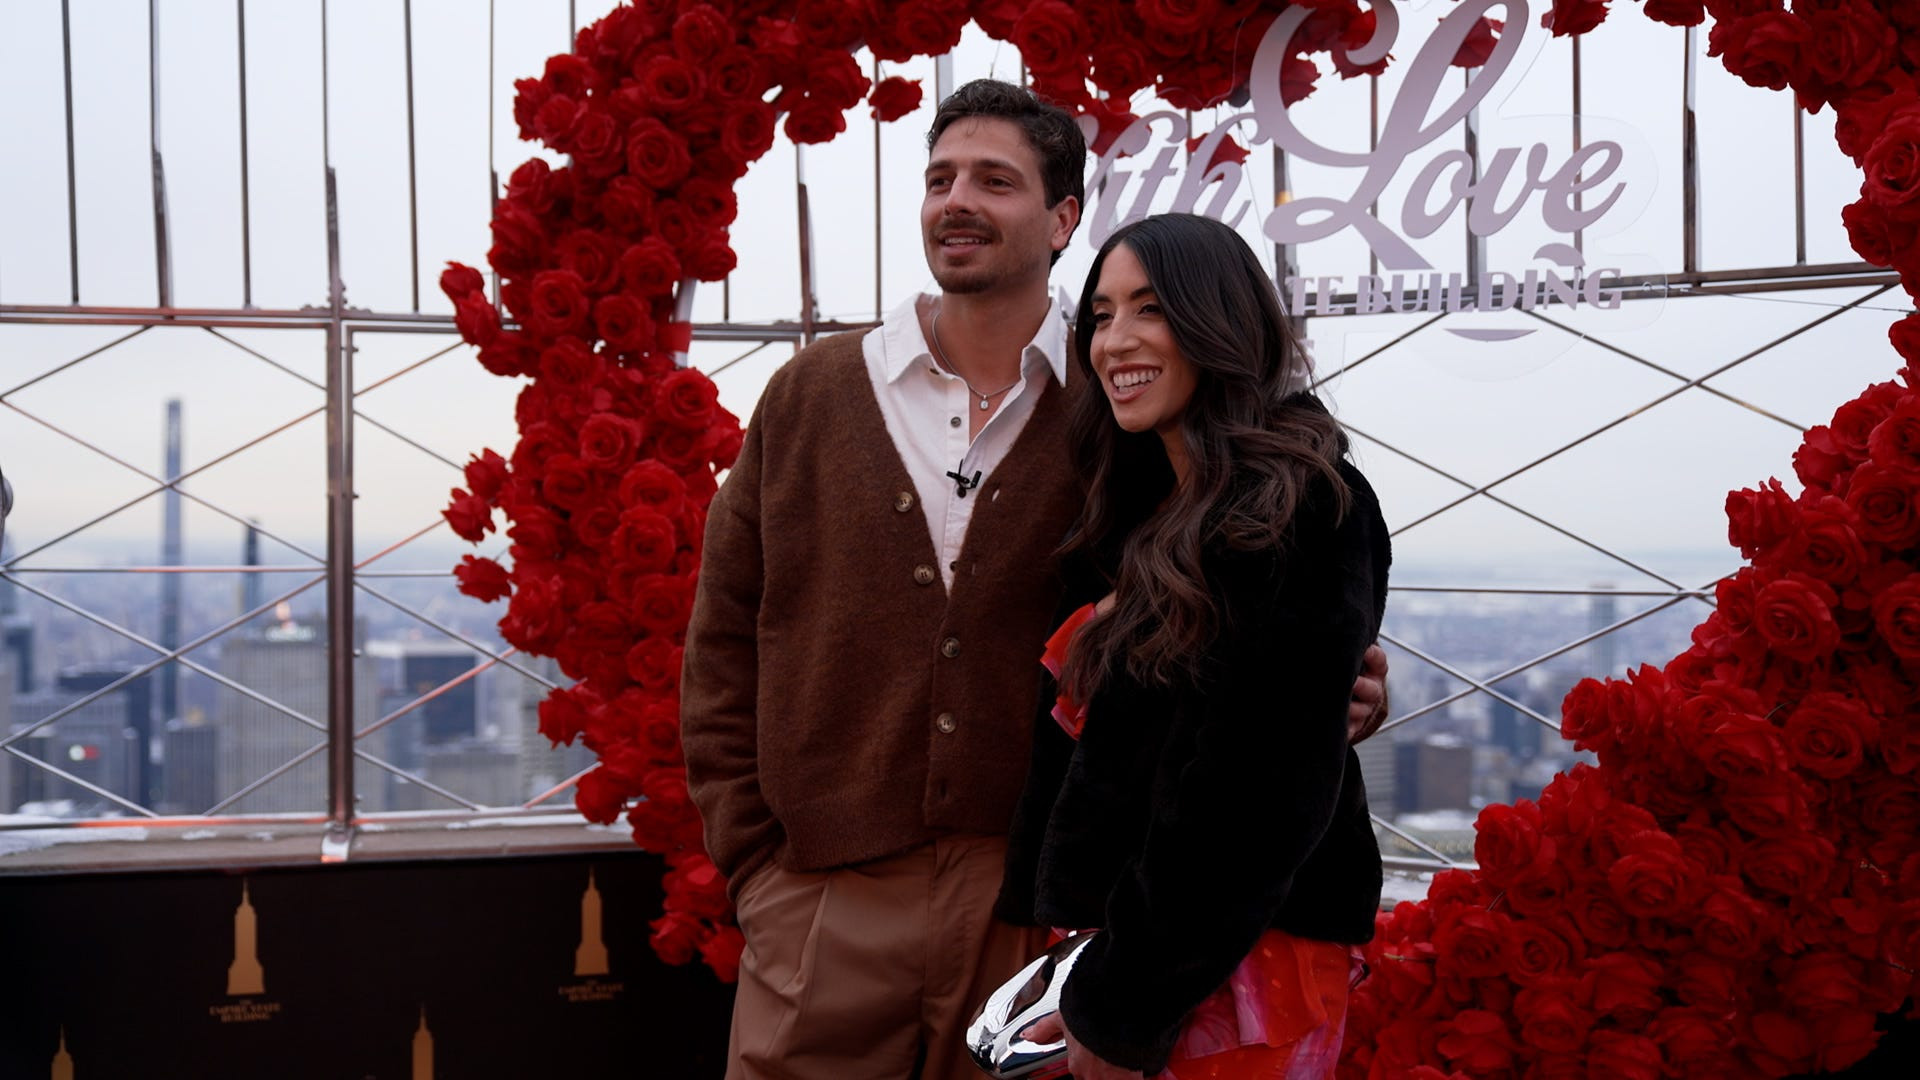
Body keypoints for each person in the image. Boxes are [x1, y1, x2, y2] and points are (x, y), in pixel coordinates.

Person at [680, 82, 1388, 1080]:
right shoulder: (810, 396)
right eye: (939, 178)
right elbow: (724, 638)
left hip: (1039, 908)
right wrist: (757, 866)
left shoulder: (1129, 421)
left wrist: (1334, 692)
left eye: (995, 180)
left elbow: (1237, 643)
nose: (956, 199)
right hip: (824, 900)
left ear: (1062, 219)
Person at [998, 214, 1392, 1080]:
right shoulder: (1142, 509)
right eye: (1100, 315)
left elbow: (1254, 791)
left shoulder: (1300, 505)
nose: (1116, 341)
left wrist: (1122, 1009)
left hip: (1234, 968)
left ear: (1220, 321)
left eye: (1150, 309)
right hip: (1138, 951)